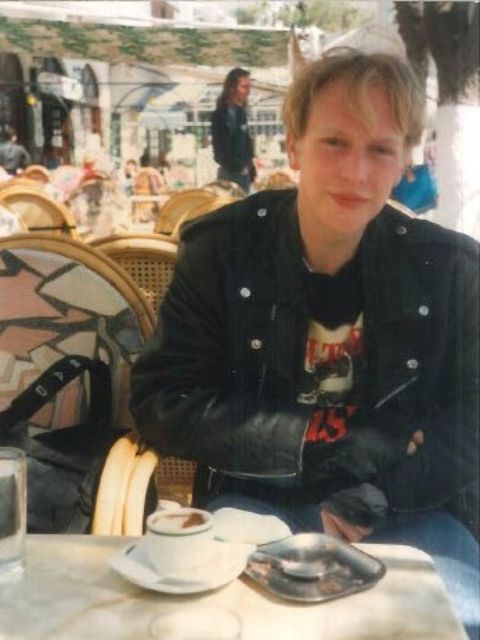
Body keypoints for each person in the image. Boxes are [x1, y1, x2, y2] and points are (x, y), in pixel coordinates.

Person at [131, 48, 479, 637]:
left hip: (404, 506)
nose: (356, 172)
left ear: (403, 163)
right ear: (293, 147)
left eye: (379, 149)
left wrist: (382, 491)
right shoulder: (222, 251)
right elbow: (163, 399)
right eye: (335, 143)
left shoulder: (448, 270)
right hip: (254, 504)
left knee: (457, 624)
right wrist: (321, 439)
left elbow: (474, 414)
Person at [211, 67, 256, 193]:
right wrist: (237, 167)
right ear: (231, 89)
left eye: (249, 87)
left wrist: (250, 166)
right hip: (230, 174)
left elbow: (245, 141)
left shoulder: (241, 112)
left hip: (243, 174)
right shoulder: (222, 115)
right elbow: (220, 148)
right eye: (244, 87)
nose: (248, 91)